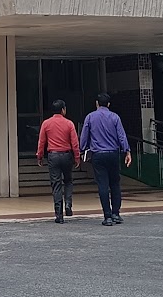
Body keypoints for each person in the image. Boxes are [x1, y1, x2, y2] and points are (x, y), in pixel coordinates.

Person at [79, 92, 132, 225]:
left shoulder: (90, 117)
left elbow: (84, 137)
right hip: (113, 153)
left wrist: (82, 150)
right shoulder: (115, 117)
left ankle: (107, 216)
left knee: (102, 184)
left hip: (98, 155)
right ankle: (116, 213)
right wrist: (127, 151)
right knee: (115, 183)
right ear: (108, 104)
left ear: (97, 103)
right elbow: (122, 136)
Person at [36, 99, 81, 222]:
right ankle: (68, 203)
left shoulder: (46, 123)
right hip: (67, 155)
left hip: (53, 155)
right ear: (63, 110)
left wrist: (39, 156)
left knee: (56, 184)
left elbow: (42, 142)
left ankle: (59, 215)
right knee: (68, 181)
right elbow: (75, 142)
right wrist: (77, 157)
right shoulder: (69, 124)